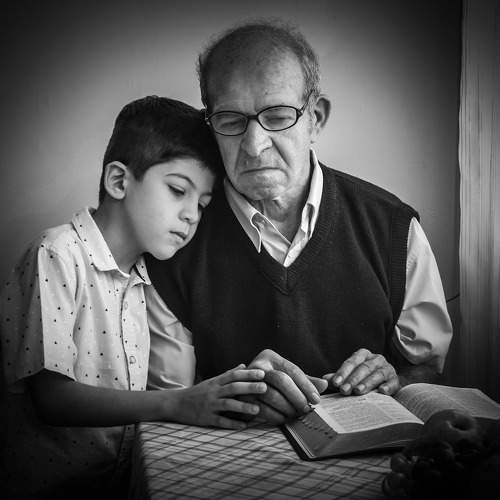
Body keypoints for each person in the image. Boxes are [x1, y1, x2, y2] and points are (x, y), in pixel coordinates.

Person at [145, 20, 453, 424]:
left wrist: (395, 377)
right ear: (210, 125)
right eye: (231, 120)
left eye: (277, 116)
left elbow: (427, 369)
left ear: (316, 119)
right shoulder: (175, 239)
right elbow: (169, 399)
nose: (254, 145)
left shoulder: (393, 228)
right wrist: (239, 391)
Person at [0, 96, 268, 500]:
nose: (192, 215)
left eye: (202, 204)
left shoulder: (146, 278)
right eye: (178, 190)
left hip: (117, 486)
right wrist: (175, 404)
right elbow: (53, 399)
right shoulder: (57, 254)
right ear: (119, 181)